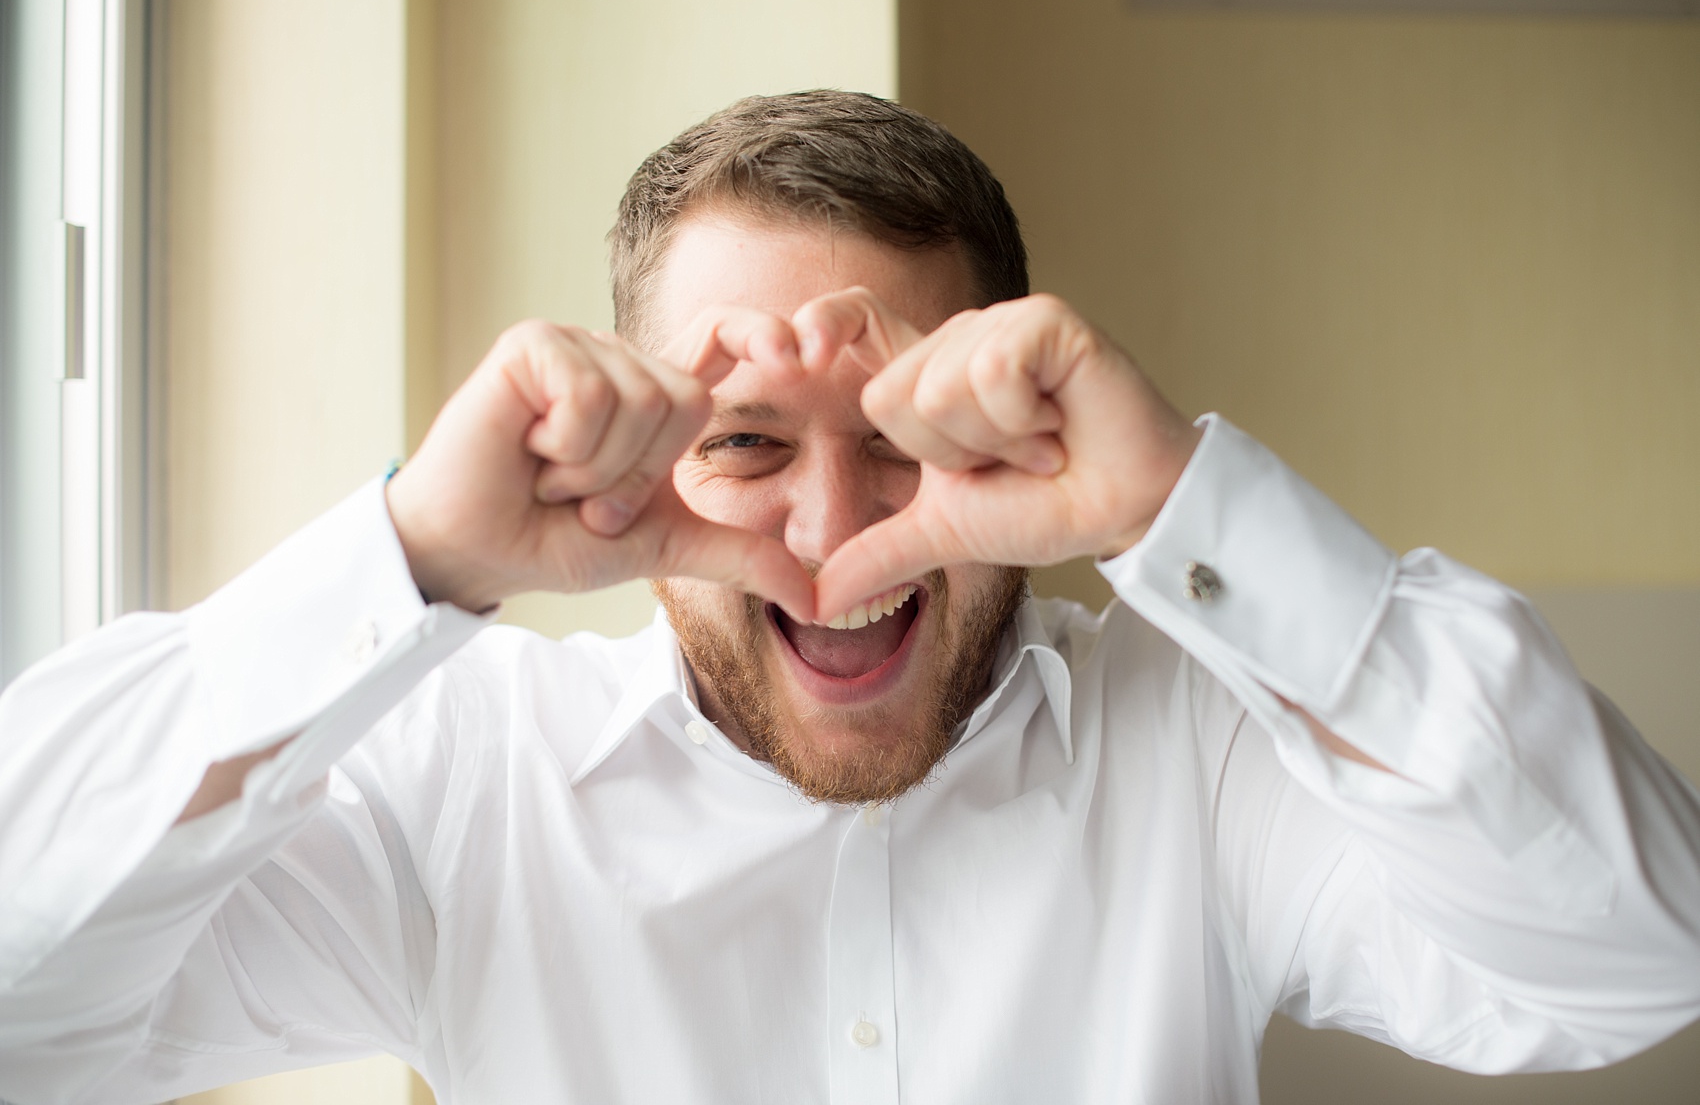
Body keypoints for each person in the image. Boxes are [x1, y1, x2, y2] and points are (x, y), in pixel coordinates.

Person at [1, 90, 1697, 1104]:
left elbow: (1637, 961)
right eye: (747, 441)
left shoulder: (1195, 745)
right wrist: (411, 563)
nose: (829, 533)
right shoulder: (472, 781)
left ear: (1027, 447)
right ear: (644, 470)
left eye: (905, 440)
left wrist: (1189, 504)